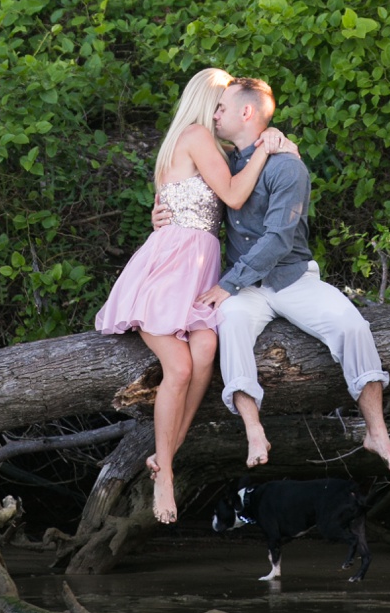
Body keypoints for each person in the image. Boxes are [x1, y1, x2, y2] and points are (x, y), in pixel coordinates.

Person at [157, 76, 390, 476]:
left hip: (291, 278)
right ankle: (253, 429)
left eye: (222, 108)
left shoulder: (287, 166)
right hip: (246, 287)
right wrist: (161, 217)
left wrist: (226, 284)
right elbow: (183, 196)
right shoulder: (223, 161)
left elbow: (277, 240)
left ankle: (377, 431)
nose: (215, 115)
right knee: (232, 322)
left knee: (352, 325)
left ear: (246, 112)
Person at [95, 67, 295, 525]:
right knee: (180, 365)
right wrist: (266, 147)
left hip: (196, 264)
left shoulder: (196, 142)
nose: (224, 112)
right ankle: (163, 471)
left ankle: (165, 456)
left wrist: (271, 139)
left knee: (206, 349)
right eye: (222, 102)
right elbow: (233, 196)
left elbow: (185, 194)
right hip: (171, 267)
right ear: (209, 101)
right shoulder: (196, 137)